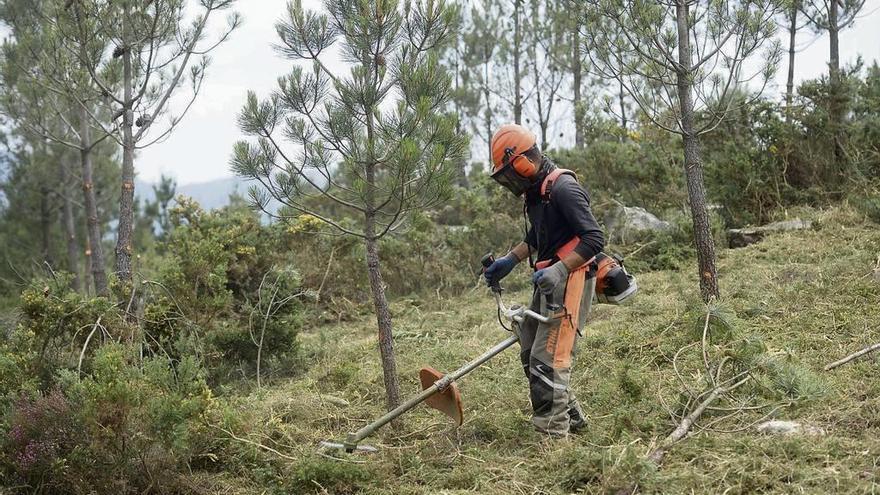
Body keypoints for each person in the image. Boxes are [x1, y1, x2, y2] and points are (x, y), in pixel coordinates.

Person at [483, 124, 605, 437]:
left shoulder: (563, 188)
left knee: (547, 362)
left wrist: (560, 270)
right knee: (530, 352)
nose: (510, 182)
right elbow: (537, 235)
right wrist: (510, 260)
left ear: (525, 163)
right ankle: (572, 420)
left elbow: (594, 238)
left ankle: (553, 443)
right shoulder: (537, 193)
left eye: (511, 174)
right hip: (548, 280)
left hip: (571, 277)